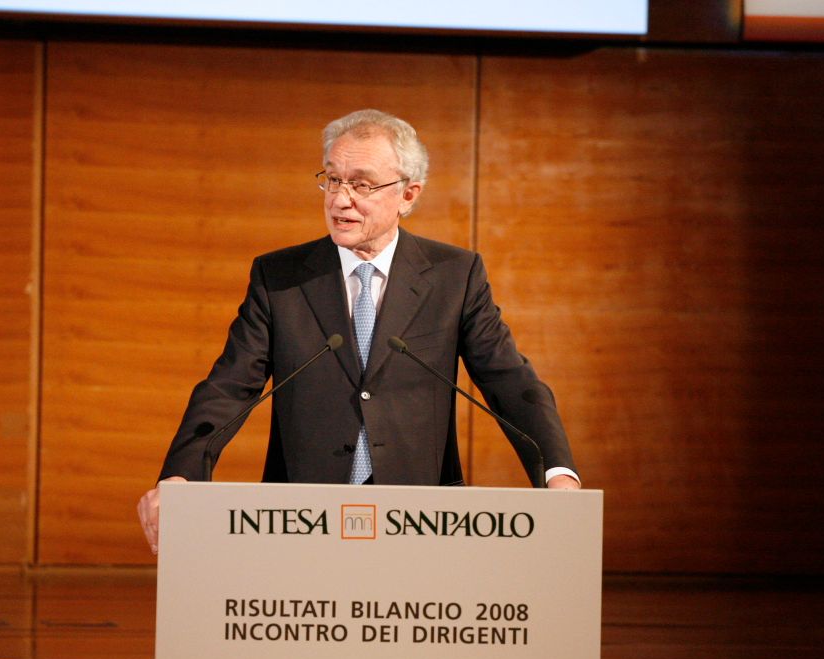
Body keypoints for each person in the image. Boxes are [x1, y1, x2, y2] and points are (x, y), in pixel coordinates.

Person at [137, 109, 578, 553]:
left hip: (421, 520)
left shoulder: (454, 276)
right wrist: (181, 476)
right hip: (302, 519)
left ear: (408, 194)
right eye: (332, 180)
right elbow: (229, 386)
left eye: (362, 184)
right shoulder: (281, 277)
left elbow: (509, 380)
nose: (340, 199)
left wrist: (557, 474)